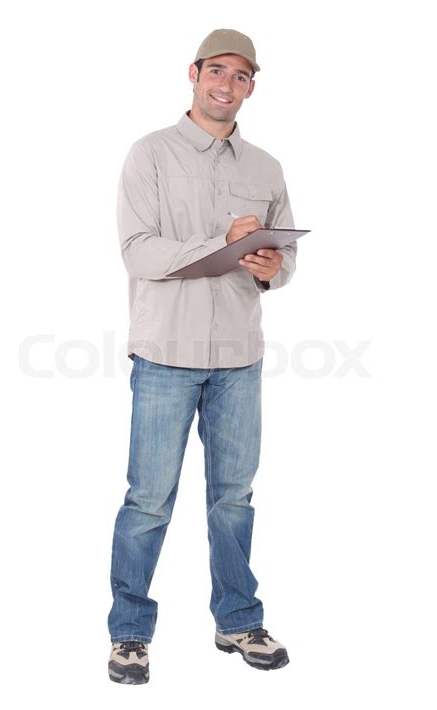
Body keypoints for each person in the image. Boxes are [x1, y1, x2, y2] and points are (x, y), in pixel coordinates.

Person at [108, 28, 297, 685]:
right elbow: (140, 253)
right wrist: (220, 238)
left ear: (251, 87)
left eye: (241, 76)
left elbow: (285, 260)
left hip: (240, 357)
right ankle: (129, 633)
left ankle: (238, 619)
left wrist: (272, 264)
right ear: (193, 74)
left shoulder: (265, 169)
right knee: (149, 501)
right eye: (216, 70)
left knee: (235, 499)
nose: (226, 84)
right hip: (165, 354)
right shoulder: (151, 155)